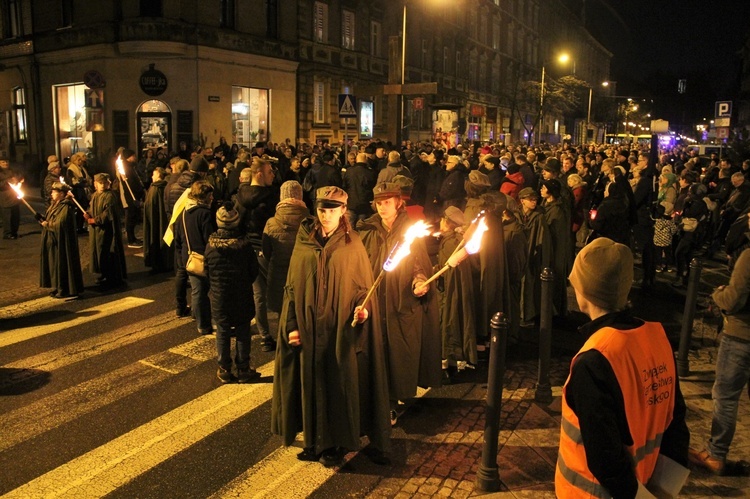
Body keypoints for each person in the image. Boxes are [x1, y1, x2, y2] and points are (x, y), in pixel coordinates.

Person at [556, 237, 689, 498]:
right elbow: (676, 425)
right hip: (646, 482)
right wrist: (662, 491)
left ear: (585, 290)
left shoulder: (593, 360)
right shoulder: (657, 339)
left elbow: (605, 459)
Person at [271, 185, 391, 468]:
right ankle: (314, 440)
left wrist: (363, 311)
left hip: (339, 331)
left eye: (332, 210)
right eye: (322, 210)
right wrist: (291, 325)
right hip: (309, 329)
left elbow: (363, 288)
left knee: (338, 385)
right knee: (310, 383)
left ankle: (335, 443)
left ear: (343, 212)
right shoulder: (303, 241)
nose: (326, 215)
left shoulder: (353, 244)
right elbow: (291, 289)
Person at [358, 182, 441, 425]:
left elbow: (418, 263)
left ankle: (392, 401)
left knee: (397, 353)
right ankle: (381, 400)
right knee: (376, 351)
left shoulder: (410, 231)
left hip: (400, 302)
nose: (382, 207)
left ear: (398, 202)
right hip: (373, 300)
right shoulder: (367, 229)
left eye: (387, 202)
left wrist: (420, 280)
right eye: (378, 203)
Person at [688, 213, 750, 476]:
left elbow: (734, 299)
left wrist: (718, 292)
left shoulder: (748, 257)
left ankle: (716, 454)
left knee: (725, 396)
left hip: (742, 334)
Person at [205, 203, 260, 384]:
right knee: (243, 330)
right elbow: (253, 271)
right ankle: (243, 368)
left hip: (220, 297)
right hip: (242, 295)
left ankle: (224, 368)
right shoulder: (244, 246)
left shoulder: (211, 247)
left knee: (223, 330)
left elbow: (207, 271)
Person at [235, 156, 279, 352]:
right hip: (266, 247)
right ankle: (281, 333)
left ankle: (264, 334)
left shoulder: (241, 195)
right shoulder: (270, 196)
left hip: (247, 248)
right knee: (278, 289)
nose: (273, 175)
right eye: (270, 171)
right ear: (259, 174)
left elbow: (237, 223)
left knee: (257, 293)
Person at [436, 206, 476, 383]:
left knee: (448, 322)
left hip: (450, 291)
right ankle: (451, 361)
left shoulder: (452, 243)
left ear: (448, 223)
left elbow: (449, 271)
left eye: (443, 220)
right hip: (453, 289)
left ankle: (448, 363)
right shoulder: (454, 240)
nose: (440, 222)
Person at [174, 181, 216, 335]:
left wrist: (181, 257)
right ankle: (203, 324)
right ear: (203, 196)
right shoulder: (204, 213)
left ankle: (195, 314)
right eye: (210, 195)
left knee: (197, 290)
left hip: (189, 256)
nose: (212, 198)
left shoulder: (184, 212)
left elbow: (178, 237)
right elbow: (208, 237)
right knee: (200, 291)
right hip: (201, 258)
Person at [262, 180, 309, 315]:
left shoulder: (271, 223)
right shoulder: (310, 222)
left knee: (282, 315)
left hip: (278, 274)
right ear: (300, 196)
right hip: (303, 276)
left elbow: (266, 252)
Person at [40, 182, 84, 299]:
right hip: (53, 240)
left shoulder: (66, 206)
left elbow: (61, 224)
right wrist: (43, 219)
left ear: (61, 194)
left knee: (62, 263)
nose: (52, 194)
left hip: (62, 241)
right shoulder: (55, 204)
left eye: (54, 192)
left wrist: (47, 224)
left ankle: (64, 288)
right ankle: (57, 286)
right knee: (54, 264)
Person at [85, 173, 127, 287]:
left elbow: (108, 213)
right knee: (99, 251)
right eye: (100, 183)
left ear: (108, 183)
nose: (102, 185)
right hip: (97, 230)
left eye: (105, 183)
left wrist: (95, 220)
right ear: (95, 184)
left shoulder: (110, 196)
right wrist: (88, 214)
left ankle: (111, 276)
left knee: (107, 250)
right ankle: (103, 273)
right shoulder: (95, 196)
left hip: (107, 230)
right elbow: (92, 208)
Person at [142, 167, 173, 273]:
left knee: (155, 237)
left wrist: (142, 205)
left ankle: (157, 264)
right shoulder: (166, 187)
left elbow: (150, 205)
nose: (152, 176)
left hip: (154, 219)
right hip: (163, 219)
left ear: (159, 175)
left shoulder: (155, 188)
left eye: (153, 174)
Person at [0, 159, 21, 239]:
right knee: (7, 218)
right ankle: (7, 234)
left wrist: (18, 180)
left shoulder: (12, 171)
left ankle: (14, 232)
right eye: (3, 162)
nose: (5, 163)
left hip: (14, 198)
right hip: (5, 199)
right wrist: (7, 181)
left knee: (15, 217)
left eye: (6, 161)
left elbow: (19, 177)